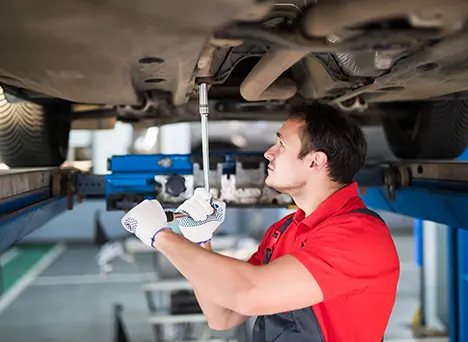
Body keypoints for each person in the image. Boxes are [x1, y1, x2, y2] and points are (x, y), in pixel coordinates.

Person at [121, 103, 401, 342]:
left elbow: (248, 293)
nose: (269, 152)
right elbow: (223, 315)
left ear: (315, 162)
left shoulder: (359, 236)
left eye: (281, 144)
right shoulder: (282, 231)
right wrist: (200, 241)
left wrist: (162, 236)